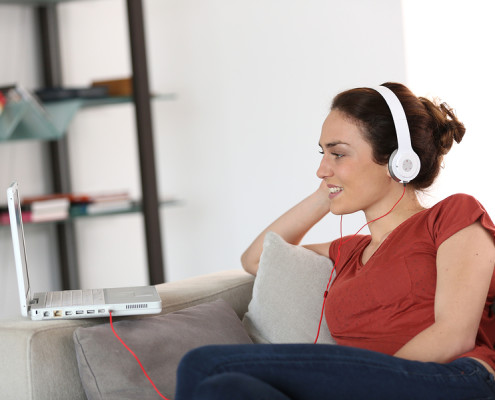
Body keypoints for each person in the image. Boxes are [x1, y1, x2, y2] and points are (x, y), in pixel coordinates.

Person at [174, 82, 495, 399]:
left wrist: (365, 384)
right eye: (322, 153)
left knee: (204, 364)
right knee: (224, 389)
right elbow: (257, 259)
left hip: (455, 378)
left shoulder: (452, 216)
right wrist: (325, 192)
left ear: (399, 161)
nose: (321, 169)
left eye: (338, 154)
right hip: (367, 383)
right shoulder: (349, 253)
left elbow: (455, 335)